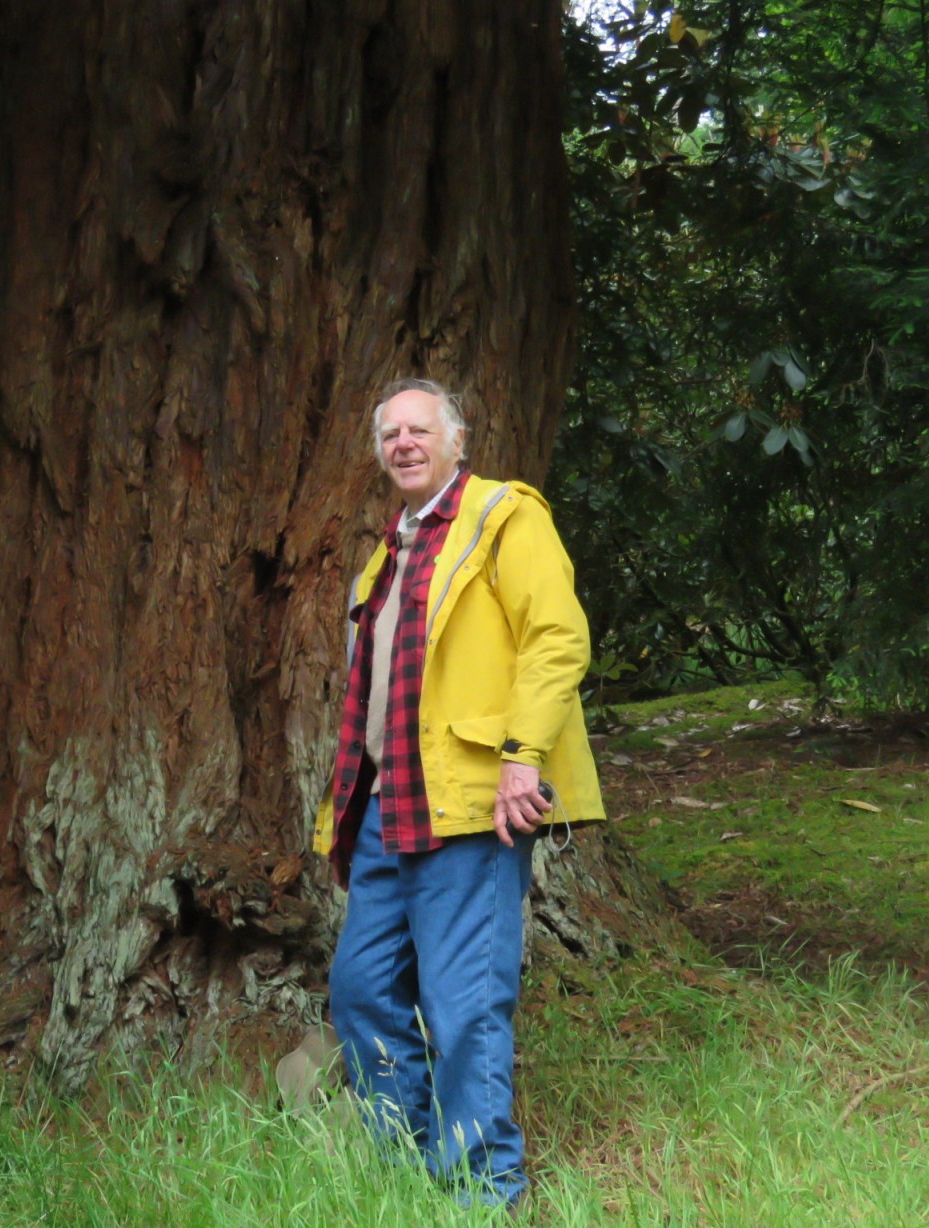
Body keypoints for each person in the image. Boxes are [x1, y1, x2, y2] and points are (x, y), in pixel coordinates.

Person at [312, 378, 606, 1207]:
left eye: (419, 429)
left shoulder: (503, 516)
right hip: (381, 811)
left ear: (456, 440)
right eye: (388, 434)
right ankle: (402, 1173)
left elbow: (557, 637)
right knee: (362, 991)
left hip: (473, 805)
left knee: (463, 1005)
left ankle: (482, 1191)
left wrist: (522, 756)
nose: (402, 443)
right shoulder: (386, 552)